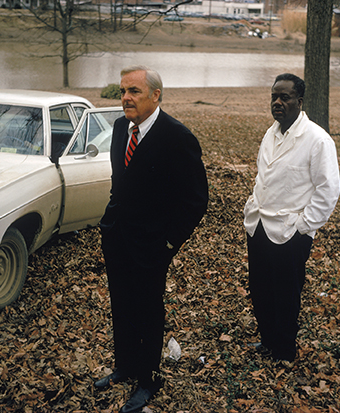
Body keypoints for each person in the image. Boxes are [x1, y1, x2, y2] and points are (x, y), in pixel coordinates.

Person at [96, 65, 208, 413]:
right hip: (118, 238)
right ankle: (125, 366)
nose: (126, 98)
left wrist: (169, 244)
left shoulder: (177, 137)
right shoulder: (119, 129)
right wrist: (110, 222)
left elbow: (196, 200)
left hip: (153, 246)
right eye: (122, 91)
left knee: (147, 311)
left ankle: (147, 380)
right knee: (121, 305)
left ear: (156, 95)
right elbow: (122, 181)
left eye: (134, 91)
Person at [243, 73, 340, 364]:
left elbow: (328, 189)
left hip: (290, 232)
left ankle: (284, 350)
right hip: (259, 225)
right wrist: (253, 204)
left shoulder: (317, 139)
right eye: (274, 96)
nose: (277, 102)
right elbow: (264, 175)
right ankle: (268, 339)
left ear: (299, 101)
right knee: (260, 289)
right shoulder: (271, 133)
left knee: (285, 294)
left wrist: (304, 226)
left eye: (284, 97)